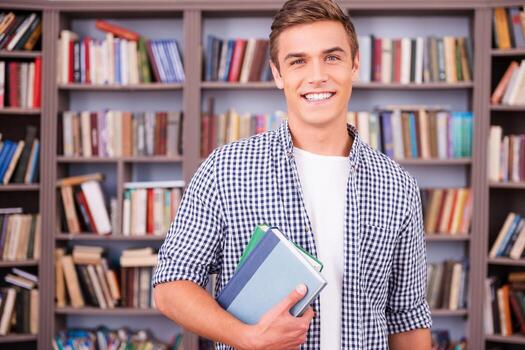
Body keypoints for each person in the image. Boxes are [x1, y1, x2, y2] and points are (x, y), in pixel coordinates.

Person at [153, 0, 432, 349]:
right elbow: (171, 286)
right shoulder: (225, 170)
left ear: (355, 65)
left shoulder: (397, 184)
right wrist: (247, 337)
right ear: (277, 74)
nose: (317, 75)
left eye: (332, 57)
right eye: (298, 61)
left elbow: (407, 316)